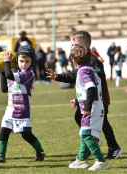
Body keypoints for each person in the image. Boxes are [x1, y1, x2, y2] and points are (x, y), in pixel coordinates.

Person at [47, 31, 122, 160]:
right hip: (90, 98)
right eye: (72, 44)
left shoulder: (92, 60)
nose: (72, 46)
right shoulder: (84, 58)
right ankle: (95, 140)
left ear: (84, 45)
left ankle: (112, 147)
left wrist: (82, 99)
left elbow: (91, 84)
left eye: (75, 43)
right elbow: (77, 76)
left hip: (99, 98)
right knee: (81, 117)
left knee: (102, 122)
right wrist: (58, 77)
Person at [0, 45, 45, 163]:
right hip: (10, 109)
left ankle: (40, 151)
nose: (24, 64)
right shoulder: (15, 72)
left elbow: (9, 75)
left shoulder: (29, 74)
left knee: (26, 134)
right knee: (4, 131)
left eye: (27, 61)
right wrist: (2, 69)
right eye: (21, 61)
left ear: (31, 62)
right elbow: (4, 89)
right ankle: (1, 156)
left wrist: (6, 63)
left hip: (22, 110)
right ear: (17, 61)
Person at [66, 44, 107, 171]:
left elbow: (91, 89)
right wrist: (78, 102)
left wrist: (87, 108)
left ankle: (100, 160)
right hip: (93, 107)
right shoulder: (89, 70)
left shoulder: (84, 72)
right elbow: (86, 91)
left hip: (91, 109)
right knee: (84, 133)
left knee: (86, 134)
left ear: (73, 60)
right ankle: (81, 160)